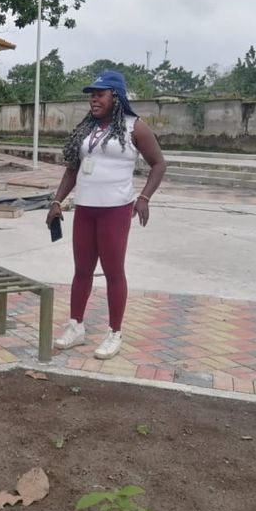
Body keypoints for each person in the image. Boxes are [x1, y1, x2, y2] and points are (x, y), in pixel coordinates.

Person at [46, 70, 166, 360]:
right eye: (92, 95)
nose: (94, 99)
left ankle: (114, 332)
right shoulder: (87, 127)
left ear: (116, 96)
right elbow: (73, 169)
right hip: (85, 209)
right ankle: (76, 326)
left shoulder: (134, 127)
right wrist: (57, 201)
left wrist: (144, 198)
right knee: (82, 270)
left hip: (115, 210)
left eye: (100, 94)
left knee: (113, 272)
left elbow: (159, 163)